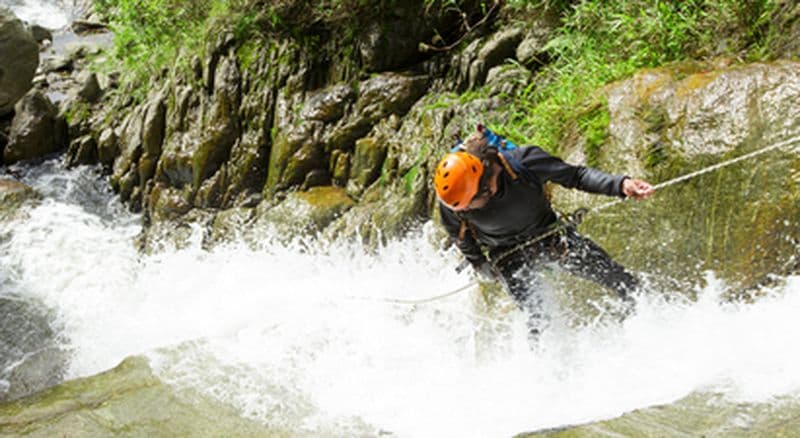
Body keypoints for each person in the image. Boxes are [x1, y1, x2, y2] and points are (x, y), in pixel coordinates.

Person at [435, 125, 654, 337]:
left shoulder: (525, 163)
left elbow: (576, 176)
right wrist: (482, 266)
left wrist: (620, 185)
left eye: (470, 204)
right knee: (538, 320)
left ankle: (651, 321)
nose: (466, 210)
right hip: (507, 257)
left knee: (620, 279)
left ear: (487, 185)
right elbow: (462, 239)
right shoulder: (454, 202)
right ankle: (544, 366)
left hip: (551, 238)